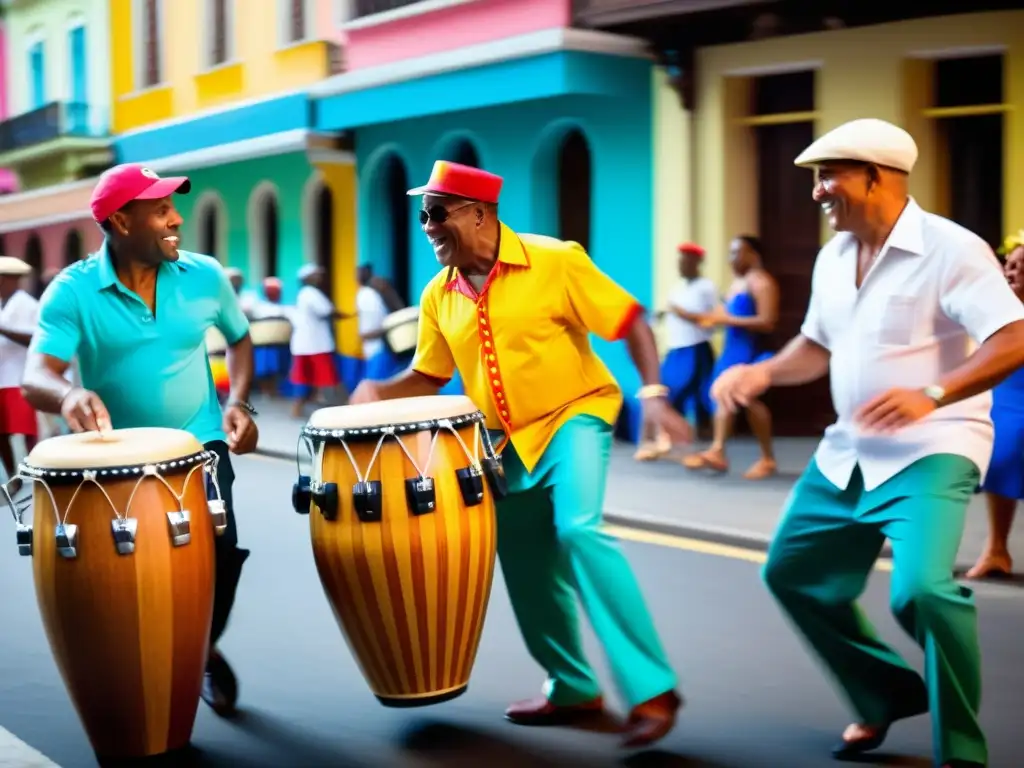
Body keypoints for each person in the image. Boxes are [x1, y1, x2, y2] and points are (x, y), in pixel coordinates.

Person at [712, 118, 1024, 768]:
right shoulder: (832, 257)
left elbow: (1011, 336)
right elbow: (817, 345)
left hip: (933, 447)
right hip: (846, 451)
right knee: (792, 575)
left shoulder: (952, 248)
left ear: (876, 176)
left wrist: (934, 393)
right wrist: (763, 371)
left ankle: (963, 752)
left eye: (829, 176)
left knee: (924, 593)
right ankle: (882, 694)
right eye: (816, 179)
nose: (818, 192)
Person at [350, 160, 688, 748]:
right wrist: (378, 390)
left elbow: (630, 321)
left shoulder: (555, 260)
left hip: (574, 417)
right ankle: (573, 686)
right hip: (503, 445)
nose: (425, 226)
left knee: (579, 530)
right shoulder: (438, 295)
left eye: (435, 213)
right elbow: (429, 374)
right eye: (421, 215)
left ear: (479, 212)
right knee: (526, 567)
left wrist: (654, 394)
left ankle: (653, 687)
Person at [21, 163, 259, 720]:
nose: (177, 218)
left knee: (221, 557)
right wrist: (66, 396)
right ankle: (144, 680)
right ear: (121, 221)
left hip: (200, 445)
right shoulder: (73, 290)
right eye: (161, 210)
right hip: (110, 464)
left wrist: (240, 404)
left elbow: (242, 341)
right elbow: (38, 372)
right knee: (129, 579)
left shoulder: (204, 276)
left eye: (174, 206)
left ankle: (201, 648)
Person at [682, 235, 778, 479]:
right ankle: (718, 451)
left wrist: (724, 319)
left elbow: (767, 322)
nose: (731, 258)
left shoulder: (762, 283)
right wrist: (702, 318)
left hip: (751, 352)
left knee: (746, 399)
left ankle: (767, 458)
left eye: (737, 252)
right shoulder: (737, 284)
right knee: (723, 397)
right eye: (730, 253)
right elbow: (721, 313)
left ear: (753, 255)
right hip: (731, 351)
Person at [966, 229, 1024, 580]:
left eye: (1021, 266)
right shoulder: (995, 308)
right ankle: (996, 549)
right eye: (1009, 264)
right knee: (1000, 455)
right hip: (1002, 396)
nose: (1011, 271)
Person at [635, 242, 717, 461]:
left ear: (696, 263)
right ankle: (665, 440)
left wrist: (681, 313)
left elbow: (712, 320)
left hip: (695, 347)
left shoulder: (706, 287)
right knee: (662, 390)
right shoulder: (677, 288)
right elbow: (673, 312)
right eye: (679, 261)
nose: (681, 265)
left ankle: (694, 444)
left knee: (694, 395)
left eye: (686, 261)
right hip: (676, 348)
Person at [289, 263, 348, 417]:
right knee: (327, 378)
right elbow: (327, 311)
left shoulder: (305, 293)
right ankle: (344, 408)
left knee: (310, 380)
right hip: (315, 345)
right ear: (308, 278)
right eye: (316, 275)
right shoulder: (311, 293)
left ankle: (303, 409)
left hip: (306, 344)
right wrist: (348, 315)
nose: (320, 278)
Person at [0, 256, 39, 477]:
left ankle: (35, 474)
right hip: (2, 378)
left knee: (26, 431)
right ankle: (13, 477)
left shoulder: (28, 304)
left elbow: (34, 338)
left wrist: (3, 329)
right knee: (2, 433)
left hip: (19, 377)